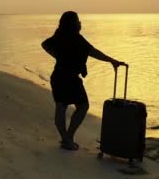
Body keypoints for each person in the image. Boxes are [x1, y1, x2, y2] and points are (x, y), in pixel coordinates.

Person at [41, 11, 127, 151]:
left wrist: (57, 56)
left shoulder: (59, 36)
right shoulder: (77, 39)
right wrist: (112, 61)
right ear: (74, 24)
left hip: (58, 77)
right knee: (82, 106)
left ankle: (66, 138)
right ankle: (68, 138)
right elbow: (94, 52)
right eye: (78, 21)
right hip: (69, 79)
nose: (80, 23)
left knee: (61, 107)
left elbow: (45, 44)